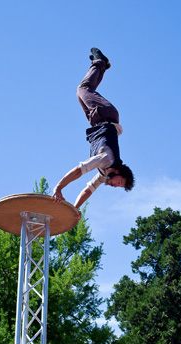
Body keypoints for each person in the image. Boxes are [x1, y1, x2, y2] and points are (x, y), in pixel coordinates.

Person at [52, 48, 134, 218]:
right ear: (118, 172)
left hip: (97, 120)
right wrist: (59, 187)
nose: (114, 186)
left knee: (80, 93)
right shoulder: (107, 159)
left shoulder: (104, 174)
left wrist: (74, 209)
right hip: (107, 115)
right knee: (83, 89)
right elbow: (78, 170)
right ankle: (101, 62)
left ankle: (102, 64)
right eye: (118, 183)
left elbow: (88, 190)